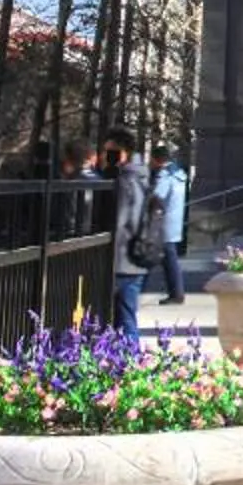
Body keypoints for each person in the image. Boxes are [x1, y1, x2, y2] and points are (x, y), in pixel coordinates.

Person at [102, 130, 153, 336]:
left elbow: (120, 220)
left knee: (122, 318)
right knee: (126, 315)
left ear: (124, 152)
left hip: (122, 259)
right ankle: (130, 360)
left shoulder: (126, 180)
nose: (108, 156)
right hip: (136, 258)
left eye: (112, 151)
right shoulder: (142, 175)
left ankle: (131, 361)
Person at [148, 144, 191, 304]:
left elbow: (158, 196)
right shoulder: (178, 173)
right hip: (174, 221)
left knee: (166, 258)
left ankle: (176, 293)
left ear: (156, 159)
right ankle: (176, 292)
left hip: (162, 221)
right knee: (168, 258)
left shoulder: (164, 175)